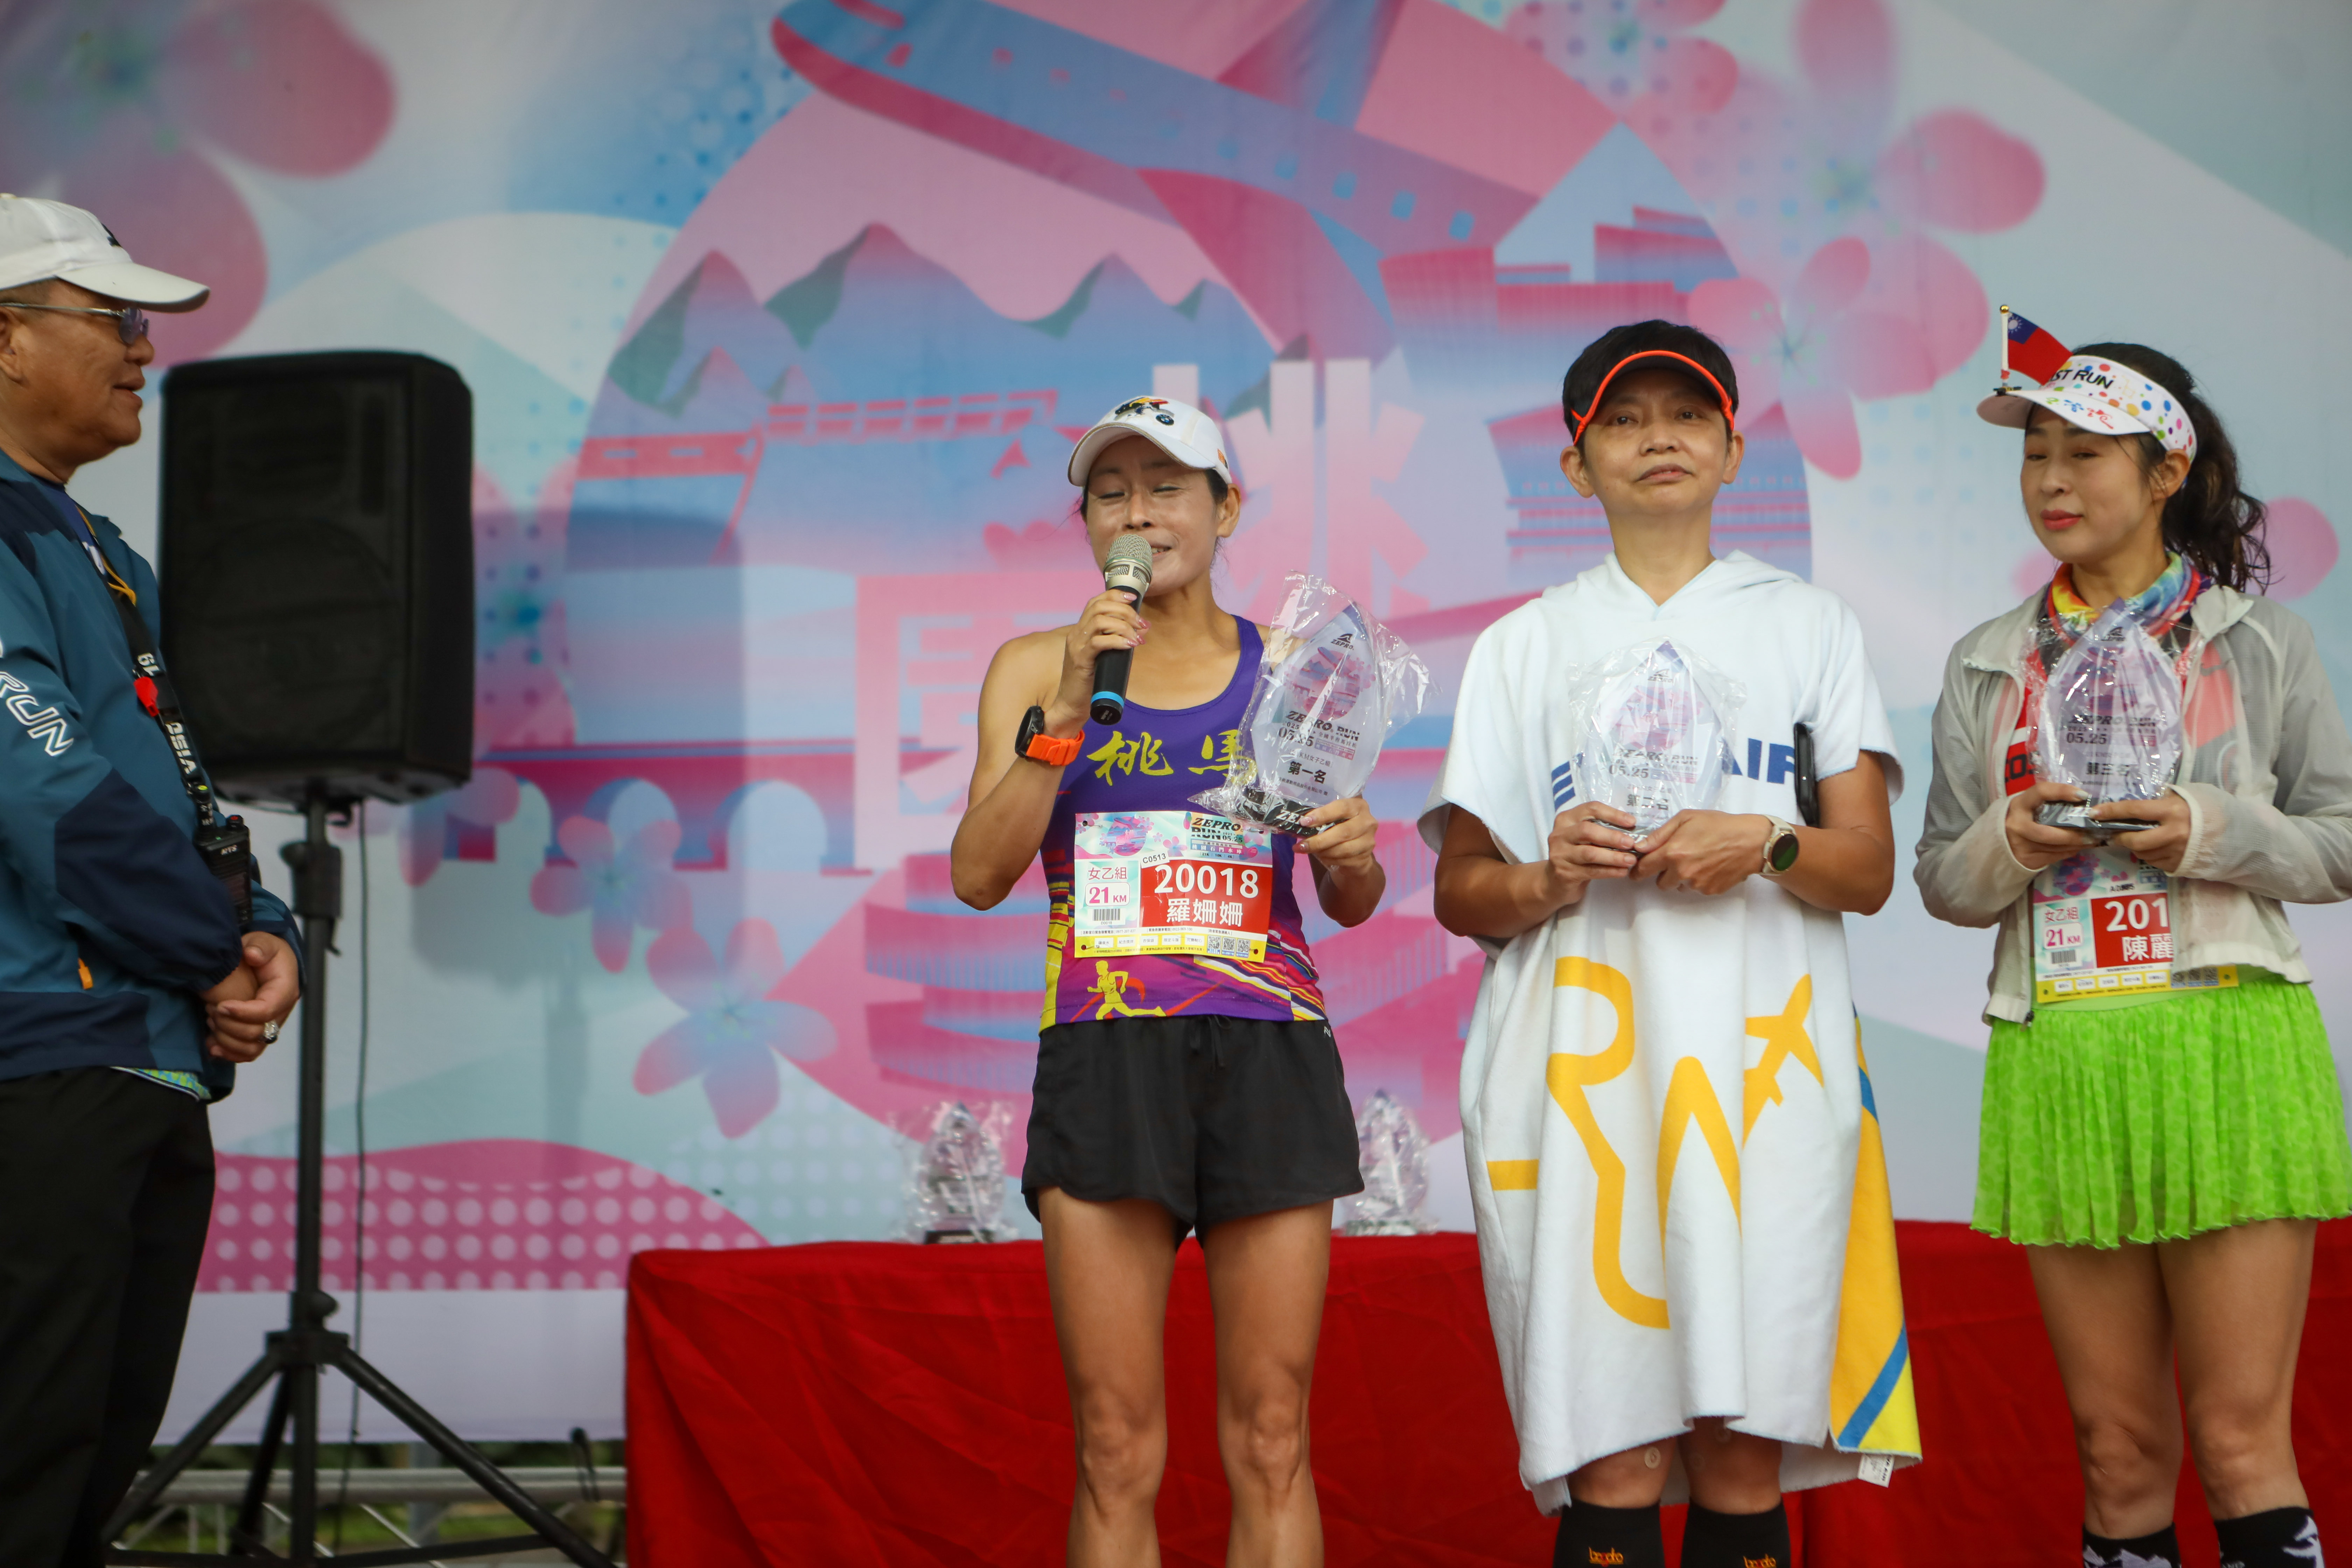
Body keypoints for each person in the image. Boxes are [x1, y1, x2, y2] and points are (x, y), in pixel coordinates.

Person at [1425, 321, 1920, 1568]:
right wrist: (1548, 874)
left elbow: (1868, 869)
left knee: (1743, 1448)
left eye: (1688, 415)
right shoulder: (1524, 644)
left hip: (1765, 1070)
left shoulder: (1806, 625)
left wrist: (1771, 843)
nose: (1660, 439)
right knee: (1615, 1445)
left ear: (1734, 449)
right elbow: (1462, 892)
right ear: (1575, 462)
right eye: (1624, 419)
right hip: (1583, 1076)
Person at [1917, 344, 2352, 1568]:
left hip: (2228, 1041)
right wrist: (2009, 840)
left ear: (2168, 473)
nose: (2052, 480)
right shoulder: (1989, 659)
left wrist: (2210, 828)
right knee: (2114, 1447)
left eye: (2085, 453)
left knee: (2238, 1441)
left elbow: (2341, 841)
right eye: (2035, 454)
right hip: (2063, 1049)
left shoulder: (2260, 643)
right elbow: (1942, 877)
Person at [951, 394, 1384, 1567]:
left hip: (1268, 1047)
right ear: (1089, 522)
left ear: (1224, 509)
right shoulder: (1036, 668)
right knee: (1114, 1445)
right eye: (1112, 493)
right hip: (1104, 1053)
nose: (1138, 514)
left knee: (1271, 1436)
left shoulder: (1292, 669)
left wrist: (1354, 856)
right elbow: (979, 875)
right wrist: (1064, 711)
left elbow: (1350, 895)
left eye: (1167, 488)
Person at [0, 195, 303, 1564]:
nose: (143, 348)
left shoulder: (101, 551)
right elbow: (41, 787)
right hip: (40, 1062)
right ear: (6, 338)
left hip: (144, 1059)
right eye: (113, 318)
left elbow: (169, 779)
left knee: (84, 1473)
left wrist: (262, 926)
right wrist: (211, 948)